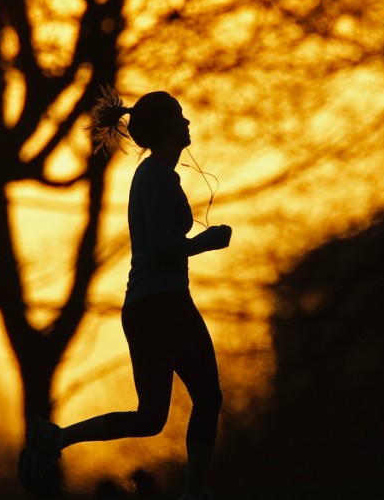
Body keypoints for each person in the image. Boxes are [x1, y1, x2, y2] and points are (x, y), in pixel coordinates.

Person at [18, 87, 232, 500]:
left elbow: (157, 243)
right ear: (167, 127)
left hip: (143, 308)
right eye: (181, 117)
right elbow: (158, 247)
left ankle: (55, 438)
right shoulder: (159, 177)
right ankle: (196, 491)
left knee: (150, 417)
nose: (188, 123)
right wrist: (207, 242)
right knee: (208, 396)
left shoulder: (153, 176)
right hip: (165, 303)